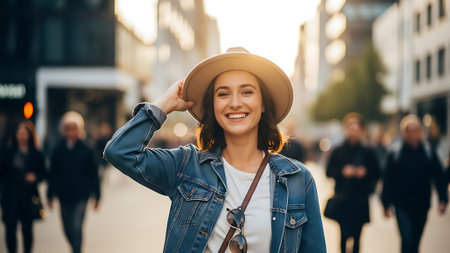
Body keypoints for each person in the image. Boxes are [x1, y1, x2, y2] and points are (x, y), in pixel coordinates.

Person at [104, 47, 326, 252]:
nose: (235, 102)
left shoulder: (298, 179)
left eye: (247, 92)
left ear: (263, 103)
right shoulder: (186, 166)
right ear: (213, 105)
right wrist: (164, 104)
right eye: (223, 94)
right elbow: (119, 151)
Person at [381, 114, 448, 253]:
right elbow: (387, 179)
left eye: (415, 130)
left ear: (420, 132)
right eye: (408, 130)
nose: (412, 134)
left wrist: (443, 199)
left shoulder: (428, 152)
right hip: (401, 205)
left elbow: (438, 176)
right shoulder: (395, 153)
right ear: (403, 132)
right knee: (407, 239)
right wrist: (386, 203)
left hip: (422, 204)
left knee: (416, 241)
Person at [324, 112, 380, 253]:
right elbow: (328, 171)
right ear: (346, 129)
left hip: (360, 200)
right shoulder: (338, 151)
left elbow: (377, 172)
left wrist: (364, 172)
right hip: (343, 200)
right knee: (343, 237)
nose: (353, 132)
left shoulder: (368, 151)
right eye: (350, 128)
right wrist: (343, 172)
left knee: (357, 237)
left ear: (361, 130)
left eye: (356, 129)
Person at [47, 111, 101, 253]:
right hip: (64, 195)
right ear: (63, 130)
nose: (70, 131)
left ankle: (76, 250)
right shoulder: (57, 149)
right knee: (67, 228)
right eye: (67, 128)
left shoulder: (87, 149)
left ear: (79, 130)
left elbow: (94, 174)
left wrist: (97, 196)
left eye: (73, 128)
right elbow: (53, 174)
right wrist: (49, 195)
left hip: (81, 196)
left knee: (76, 227)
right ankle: (75, 248)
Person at [0, 120, 46, 253]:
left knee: (27, 231)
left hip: (28, 198)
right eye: (19, 133)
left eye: (24, 133)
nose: (22, 136)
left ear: (30, 135)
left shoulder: (36, 154)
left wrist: (35, 177)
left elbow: (44, 173)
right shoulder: (8, 152)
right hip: (10, 198)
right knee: (10, 231)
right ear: (15, 135)